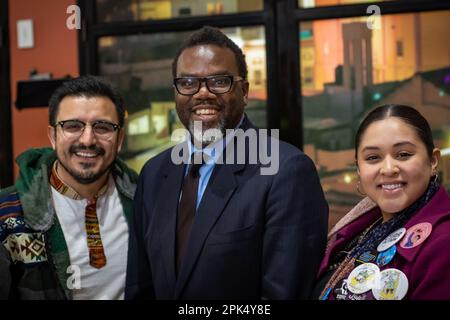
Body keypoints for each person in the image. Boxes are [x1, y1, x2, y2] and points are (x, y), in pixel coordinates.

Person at [125, 26, 329, 300]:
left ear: (244, 91)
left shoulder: (286, 171)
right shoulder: (154, 173)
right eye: (188, 83)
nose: (202, 93)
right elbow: (140, 287)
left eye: (219, 81)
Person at [0, 75, 138, 299]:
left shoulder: (145, 203)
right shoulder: (5, 217)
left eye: (102, 127)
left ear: (119, 138)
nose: (87, 140)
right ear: (53, 136)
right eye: (73, 126)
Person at [314, 104, 450, 300]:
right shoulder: (360, 229)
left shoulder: (443, 244)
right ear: (358, 170)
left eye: (403, 154)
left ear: (433, 161)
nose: (388, 169)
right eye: (373, 157)